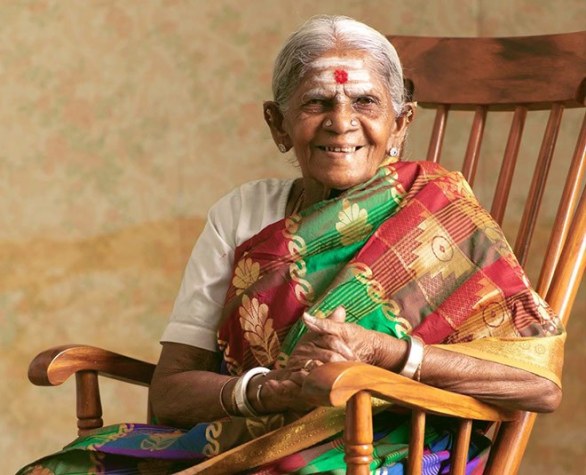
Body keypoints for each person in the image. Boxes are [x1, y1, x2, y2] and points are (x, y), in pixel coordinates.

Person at [19, 15, 564, 475]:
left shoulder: (439, 213)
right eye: (316, 102)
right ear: (277, 124)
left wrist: (386, 354)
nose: (342, 122)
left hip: (393, 447)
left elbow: (539, 385)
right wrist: (267, 392)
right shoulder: (242, 214)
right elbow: (172, 392)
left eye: (366, 102)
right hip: (246, 437)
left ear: (400, 125)